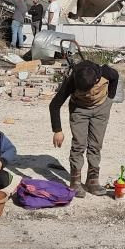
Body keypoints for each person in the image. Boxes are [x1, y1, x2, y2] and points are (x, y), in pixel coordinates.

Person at [49, 60, 120, 197]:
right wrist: (57, 130)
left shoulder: (105, 72)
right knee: (78, 144)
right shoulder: (72, 80)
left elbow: (115, 77)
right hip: (79, 110)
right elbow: (54, 105)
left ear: (96, 79)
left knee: (95, 144)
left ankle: (92, 181)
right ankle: (75, 182)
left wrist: (110, 98)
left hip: (101, 109)